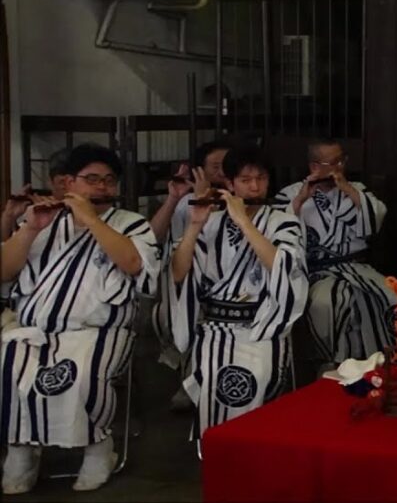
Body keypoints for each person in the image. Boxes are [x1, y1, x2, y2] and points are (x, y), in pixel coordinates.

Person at [0, 144, 159, 494]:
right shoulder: (43, 221)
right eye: (92, 180)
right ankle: (21, 448)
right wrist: (28, 230)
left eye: (109, 180)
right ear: (69, 183)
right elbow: (5, 270)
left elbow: (135, 266)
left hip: (100, 330)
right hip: (36, 330)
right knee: (8, 364)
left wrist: (89, 219)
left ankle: (97, 447)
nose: (102, 187)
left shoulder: (130, 223)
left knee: (85, 372)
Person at [169, 144, 308, 438]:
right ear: (229, 184)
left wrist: (245, 221)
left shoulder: (283, 221)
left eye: (261, 178)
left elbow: (283, 268)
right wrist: (194, 226)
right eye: (245, 180)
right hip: (214, 329)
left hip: (263, 326)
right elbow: (178, 273)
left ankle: (252, 451)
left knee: (255, 379)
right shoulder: (210, 221)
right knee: (210, 381)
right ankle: (219, 451)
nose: (255, 186)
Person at [276, 138, 396, 372]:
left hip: (358, 267)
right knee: (328, 301)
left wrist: (348, 190)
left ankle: (380, 361)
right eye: (329, 163)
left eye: (340, 161)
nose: (337, 168)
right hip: (317, 272)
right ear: (313, 167)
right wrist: (301, 200)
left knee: (390, 295)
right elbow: (279, 230)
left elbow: (374, 220)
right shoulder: (291, 194)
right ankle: (331, 362)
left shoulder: (357, 189)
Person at [148, 139, 231, 410]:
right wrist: (177, 198)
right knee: (172, 312)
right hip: (188, 278)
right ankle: (189, 376)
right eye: (215, 166)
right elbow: (154, 241)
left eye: (226, 166)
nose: (222, 172)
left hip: (230, 282)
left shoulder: (241, 201)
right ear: (199, 171)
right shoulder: (186, 203)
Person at [0, 149, 68, 241]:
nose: (68, 187)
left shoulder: (88, 213)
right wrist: (8, 217)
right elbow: (7, 249)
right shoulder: (37, 212)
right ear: (50, 182)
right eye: (62, 182)